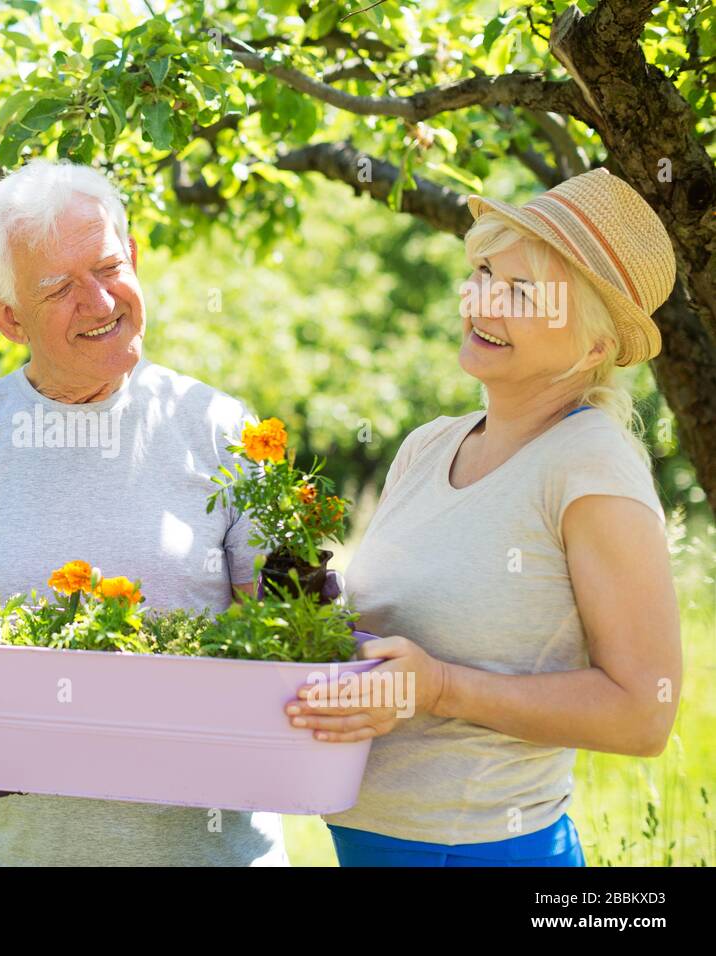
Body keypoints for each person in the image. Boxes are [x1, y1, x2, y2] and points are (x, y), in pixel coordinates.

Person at [0, 158, 286, 865]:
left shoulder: (220, 425)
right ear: (7, 317)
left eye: (107, 267)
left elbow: (282, 631)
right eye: (60, 288)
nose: (99, 303)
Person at [285, 167, 684, 866]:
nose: (484, 302)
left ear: (594, 346)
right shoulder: (430, 444)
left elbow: (643, 713)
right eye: (484, 273)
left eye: (523, 292)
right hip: (367, 843)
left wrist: (440, 688)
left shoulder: (590, 464)